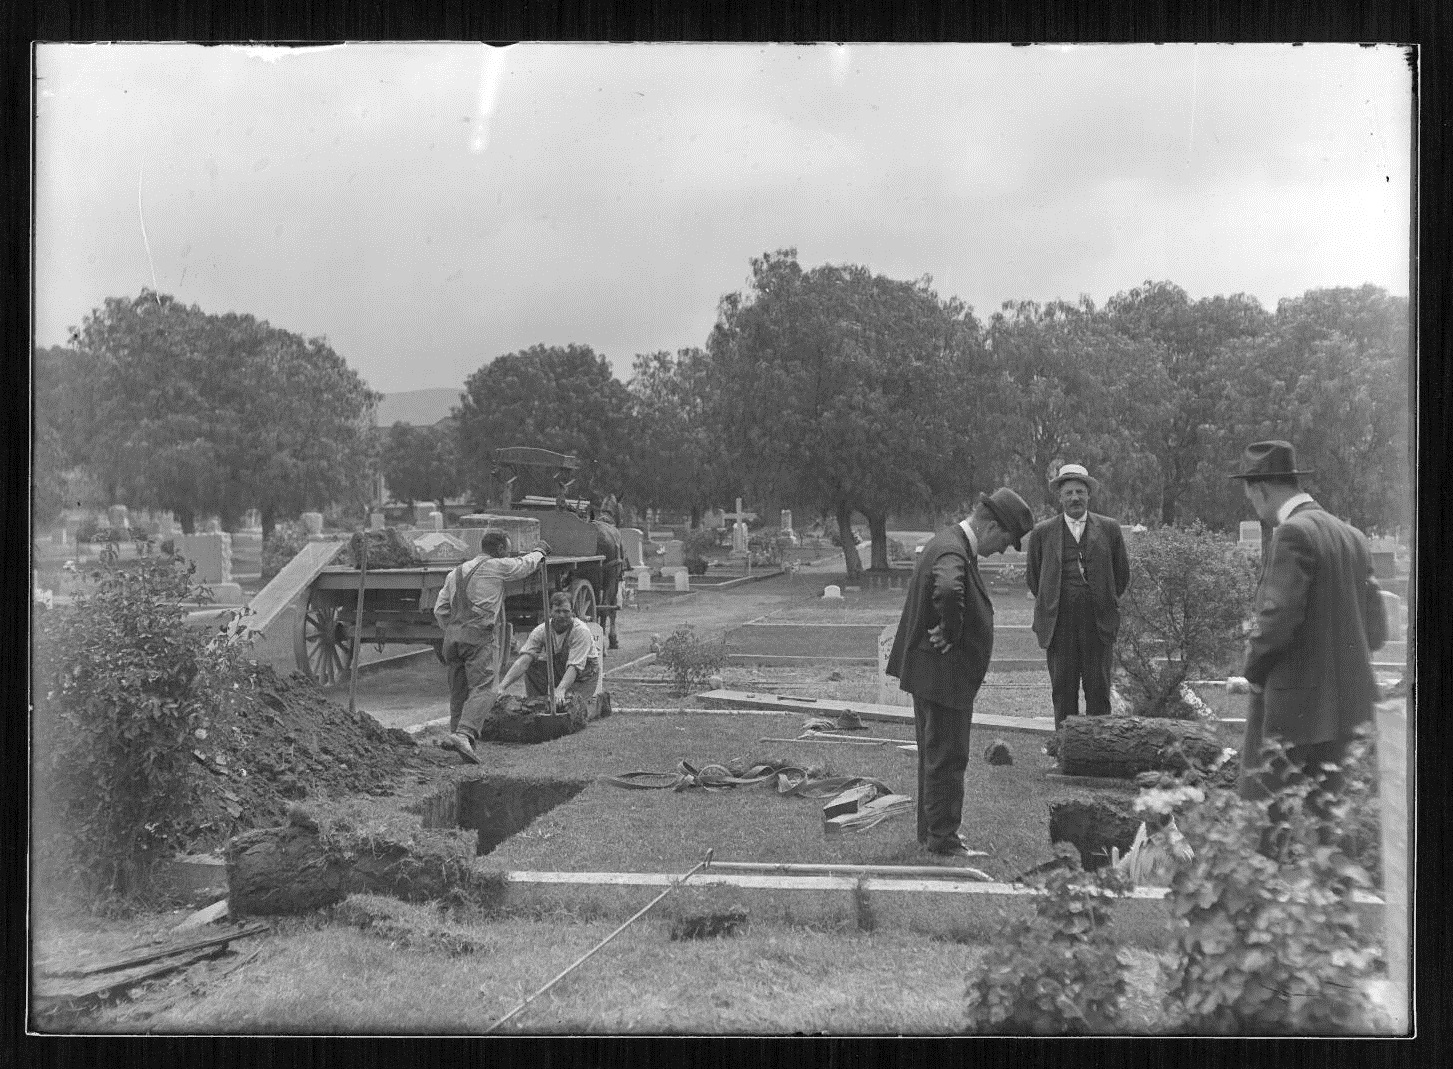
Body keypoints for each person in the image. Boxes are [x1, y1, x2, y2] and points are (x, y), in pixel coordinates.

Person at [1230, 440, 1388, 804]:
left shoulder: (1292, 533)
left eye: (1251, 498)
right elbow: (1376, 633)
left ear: (1261, 489)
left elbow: (1277, 619)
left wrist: (1252, 670)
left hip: (1295, 716)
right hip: (1347, 711)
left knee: (1275, 826)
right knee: (1328, 829)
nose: (1255, 507)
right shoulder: (1352, 536)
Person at [886, 487, 1035, 857]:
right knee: (948, 757)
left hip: (934, 675)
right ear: (990, 527)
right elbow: (950, 589)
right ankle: (944, 840)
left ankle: (932, 833)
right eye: (1006, 541)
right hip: (943, 675)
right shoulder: (953, 550)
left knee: (934, 754)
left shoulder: (948, 542)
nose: (1002, 550)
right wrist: (951, 630)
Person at [1024, 463, 1131, 730]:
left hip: (1098, 624)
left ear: (1089, 495)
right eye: (1069, 492)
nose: (1075, 498)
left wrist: (1100, 600)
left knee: (1098, 691)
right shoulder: (1043, 532)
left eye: (1080, 492)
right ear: (1059, 497)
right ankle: (1065, 750)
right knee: (1063, 691)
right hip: (1059, 625)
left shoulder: (1109, 529)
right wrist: (1056, 601)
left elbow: (1121, 575)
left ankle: (1100, 752)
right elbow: (1035, 578)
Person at [434, 531, 550, 763]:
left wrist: (454, 629)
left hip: (452, 639)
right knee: (485, 687)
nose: (507, 554)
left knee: (459, 690)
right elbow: (523, 566)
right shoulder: (496, 566)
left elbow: (440, 609)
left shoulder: (455, 572)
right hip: (478, 636)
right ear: (499, 550)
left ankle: (456, 735)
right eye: (506, 550)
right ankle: (465, 734)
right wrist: (539, 551)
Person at [495, 591, 603, 704]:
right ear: (550, 612)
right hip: (561, 672)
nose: (561, 615)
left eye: (566, 611)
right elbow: (523, 661)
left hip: (584, 677)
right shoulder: (541, 630)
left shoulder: (581, 631)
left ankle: (599, 703)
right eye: (557, 611)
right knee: (533, 666)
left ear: (573, 612)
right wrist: (502, 686)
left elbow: (574, 667)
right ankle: (536, 702)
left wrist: (560, 690)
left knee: (568, 705)